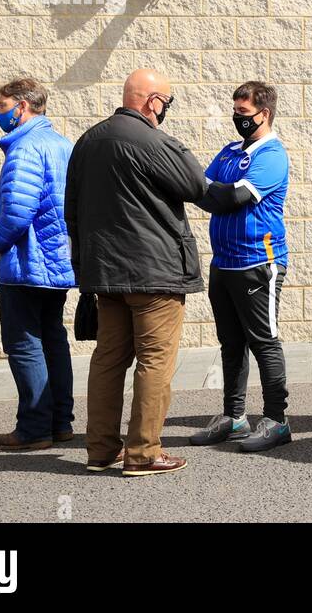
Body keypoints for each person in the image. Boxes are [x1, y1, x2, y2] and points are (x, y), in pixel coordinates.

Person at [65, 69, 206, 476]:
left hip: (105, 275)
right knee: (155, 361)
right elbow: (196, 185)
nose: (166, 110)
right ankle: (144, 453)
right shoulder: (153, 140)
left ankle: (100, 449)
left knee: (108, 360)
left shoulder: (87, 141)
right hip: (154, 273)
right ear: (152, 102)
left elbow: (71, 210)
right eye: (167, 102)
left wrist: (85, 269)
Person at [191, 81, 292, 453]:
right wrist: (211, 192)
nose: (238, 119)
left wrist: (213, 191)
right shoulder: (231, 151)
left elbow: (232, 197)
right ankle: (234, 416)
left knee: (263, 341)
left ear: (263, 114)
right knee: (230, 343)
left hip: (258, 262)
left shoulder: (272, 155)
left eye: (244, 114)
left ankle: (277, 420)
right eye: (235, 112)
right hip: (224, 262)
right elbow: (199, 190)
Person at [0, 77, 76, 451]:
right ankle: (60, 422)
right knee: (53, 339)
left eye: (3, 107)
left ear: (21, 107)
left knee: (23, 344)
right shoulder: (61, 144)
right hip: (56, 263)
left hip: (27, 264)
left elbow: (17, 214)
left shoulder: (24, 149)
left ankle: (34, 428)